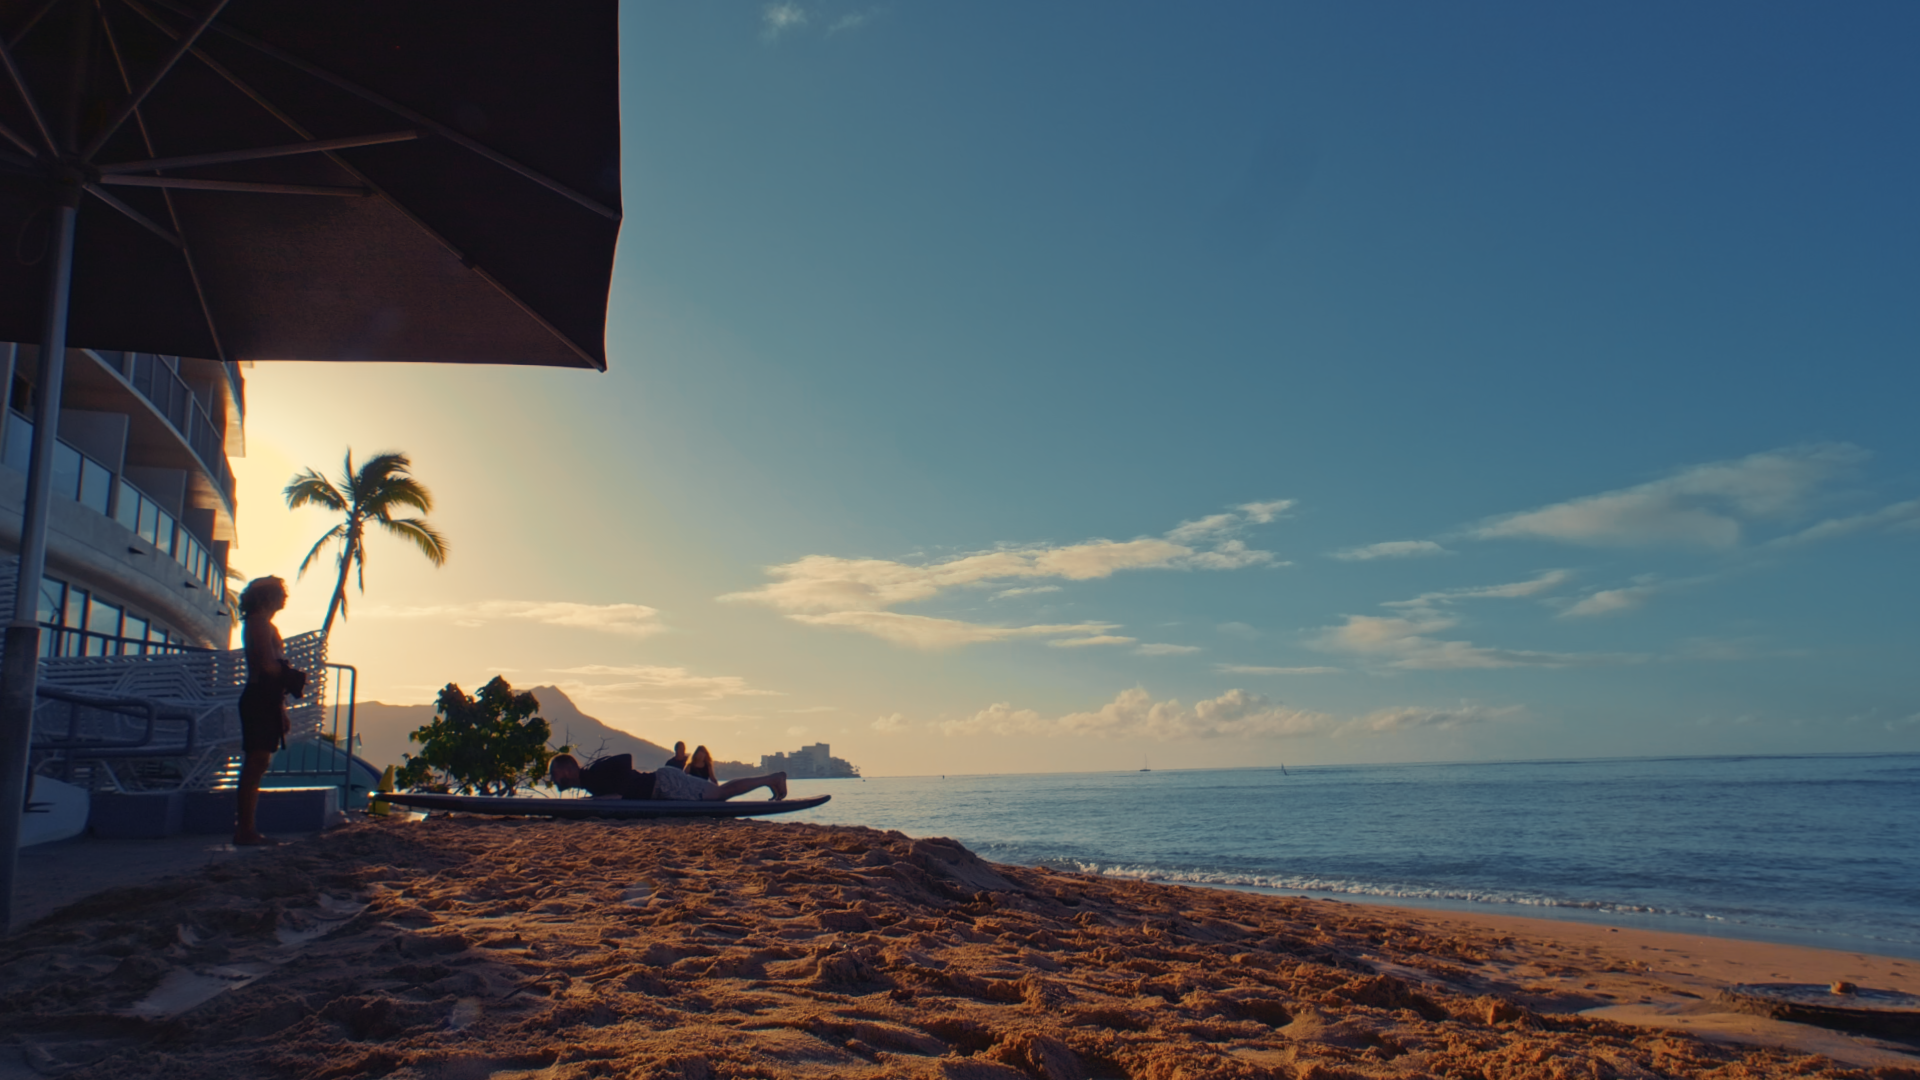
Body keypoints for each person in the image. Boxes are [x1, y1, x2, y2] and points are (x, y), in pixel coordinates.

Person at [234, 576, 305, 846]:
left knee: (259, 763)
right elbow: (266, 665)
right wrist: (290, 675)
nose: (284, 599)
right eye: (280, 594)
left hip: (267, 698)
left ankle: (247, 828)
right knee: (255, 763)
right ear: (268, 598)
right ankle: (245, 830)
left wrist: (282, 707)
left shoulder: (262, 624)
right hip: (259, 697)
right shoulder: (258, 624)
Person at [550, 753, 787, 802]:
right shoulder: (590, 783)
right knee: (719, 795)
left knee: (720, 794)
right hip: (663, 789)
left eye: (554, 772)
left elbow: (625, 758)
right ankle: (770, 779)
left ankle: (773, 778)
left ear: (568, 769)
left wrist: (620, 793)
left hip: (665, 783)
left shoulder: (594, 772)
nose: (552, 778)